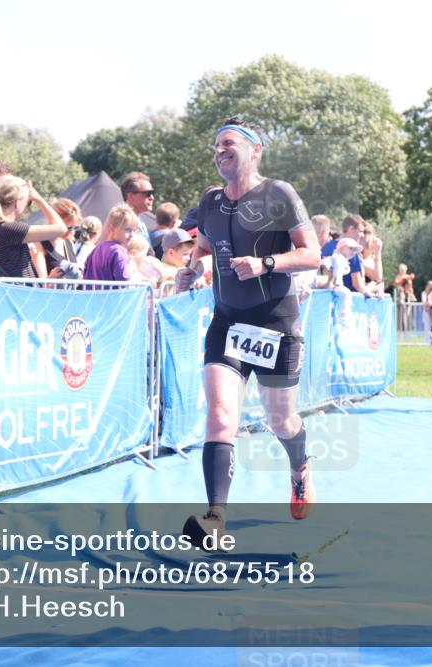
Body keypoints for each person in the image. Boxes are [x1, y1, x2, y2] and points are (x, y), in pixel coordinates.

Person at [174, 116, 320, 545]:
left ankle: (300, 468)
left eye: (229, 143)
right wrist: (193, 269)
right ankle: (215, 519)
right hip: (227, 322)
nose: (220, 150)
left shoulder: (279, 194)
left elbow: (311, 254)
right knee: (220, 417)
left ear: (255, 151)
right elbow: (204, 247)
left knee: (281, 420)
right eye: (216, 145)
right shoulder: (210, 201)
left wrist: (266, 264)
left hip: (275, 322)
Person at [0, 176, 67, 281]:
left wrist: (46, 280)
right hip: (17, 291)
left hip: (9, 290)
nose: (27, 208)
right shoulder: (9, 229)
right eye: (28, 202)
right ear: (18, 203)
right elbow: (61, 229)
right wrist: (39, 200)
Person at [83, 205, 140, 282]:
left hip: (92, 290)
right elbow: (124, 282)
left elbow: (86, 273)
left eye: (134, 230)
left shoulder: (97, 249)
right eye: (128, 230)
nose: (132, 234)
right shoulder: (119, 252)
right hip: (111, 290)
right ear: (112, 228)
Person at [119, 171, 155, 245]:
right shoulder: (121, 222)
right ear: (131, 196)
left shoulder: (140, 222)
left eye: (152, 193)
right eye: (148, 193)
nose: (152, 197)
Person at [421, 280, 432, 346]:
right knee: (427, 326)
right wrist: (430, 303)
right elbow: (424, 302)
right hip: (427, 312)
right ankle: (427, 341)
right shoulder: (424, 293)